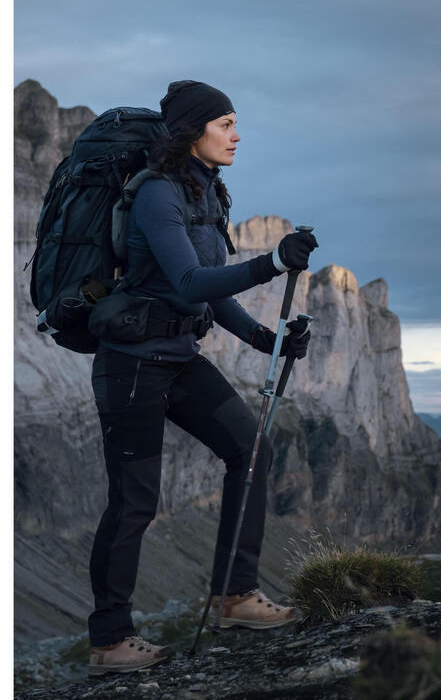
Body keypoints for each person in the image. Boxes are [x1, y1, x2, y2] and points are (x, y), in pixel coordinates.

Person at [87, 80, 319, 676]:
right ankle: (111, 641)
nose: (237, 135)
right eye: (226, 124)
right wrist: (271, 263)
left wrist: (269, 342)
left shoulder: (207, 193)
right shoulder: (158, 196)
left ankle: (234, 597)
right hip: (131, 365)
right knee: (134, 502)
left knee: (251, 448)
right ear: (194, 132)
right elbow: (190, 283)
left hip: (178, 356)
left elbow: (210, 298)